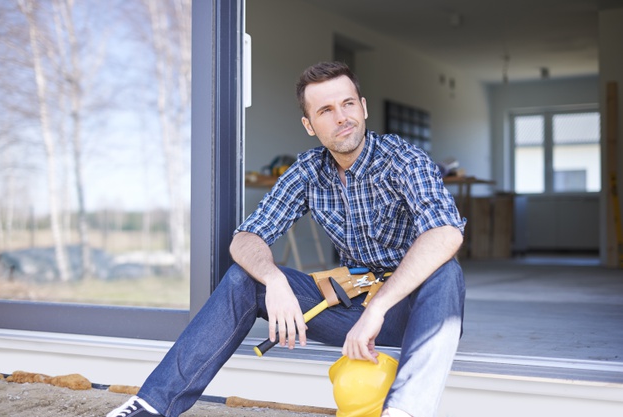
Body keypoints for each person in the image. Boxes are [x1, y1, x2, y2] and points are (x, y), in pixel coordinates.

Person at [107, 61, 466, 417]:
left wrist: (379, 307)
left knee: (445, 271)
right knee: (244, 276)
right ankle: (153, 405)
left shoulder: (404, 160)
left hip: (411, 313)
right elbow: (246, 238)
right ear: (309, 125)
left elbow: (445, 233)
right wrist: (274, 279)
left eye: (348, 103)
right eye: (326, 110)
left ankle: (405, 410)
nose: (342, 117)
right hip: (351, 306)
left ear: (364, 107)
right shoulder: (308, 170)